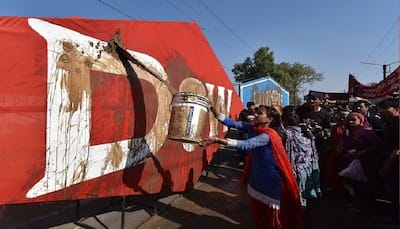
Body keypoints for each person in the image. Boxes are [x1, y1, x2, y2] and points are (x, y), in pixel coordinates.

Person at [201, 105, 303, 229]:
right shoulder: (253, 128)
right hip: (257, 176)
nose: (255, 115)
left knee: (273, 218)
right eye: (256, 112)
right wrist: (216, 112)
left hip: (270, 181)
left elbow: (247, 145)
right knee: (258, 213)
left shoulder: (268, 135)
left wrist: (219, 141)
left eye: (259, 113)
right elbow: (234, 124)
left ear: (269, 119)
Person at [281, 108, 320, 229]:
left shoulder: (285, 134)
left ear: (284, 121)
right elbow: (314, 157)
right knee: (307, 203)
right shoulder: (307, 133)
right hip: (308, 172)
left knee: (291, 205)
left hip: (291, 172)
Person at [377, 98, 399, 224]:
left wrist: (388, 164)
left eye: (385, 108)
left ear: (397, 109)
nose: (381, 111)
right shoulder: (390, 125)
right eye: (380, 108)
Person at [236, 101, 257, 167]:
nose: (253, 107)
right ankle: (242, 160)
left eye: (254, 106)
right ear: (248, 107)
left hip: (253, 131)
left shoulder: (256, 113)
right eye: (252, 106)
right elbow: (239, 121)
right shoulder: (243, 113)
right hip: (245, 131)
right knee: (243, 145)